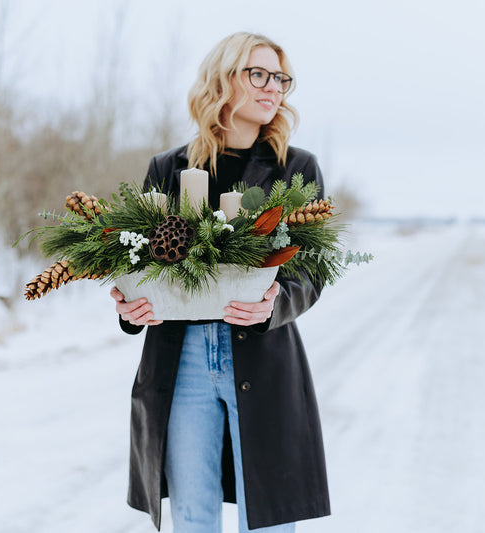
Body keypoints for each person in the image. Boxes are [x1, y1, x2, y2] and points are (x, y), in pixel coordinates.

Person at [110, 32, 330, 533]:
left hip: (263, 353)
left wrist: (276, 302)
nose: (272, 86)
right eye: (258, 74)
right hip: (180, 358)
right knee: (192, 517)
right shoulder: (168, 168)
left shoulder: (296, 169)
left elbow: (312, 268)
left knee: (270, 519)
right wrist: (130, 307)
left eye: (280, 77)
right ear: (223, 79)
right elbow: (140, 261)